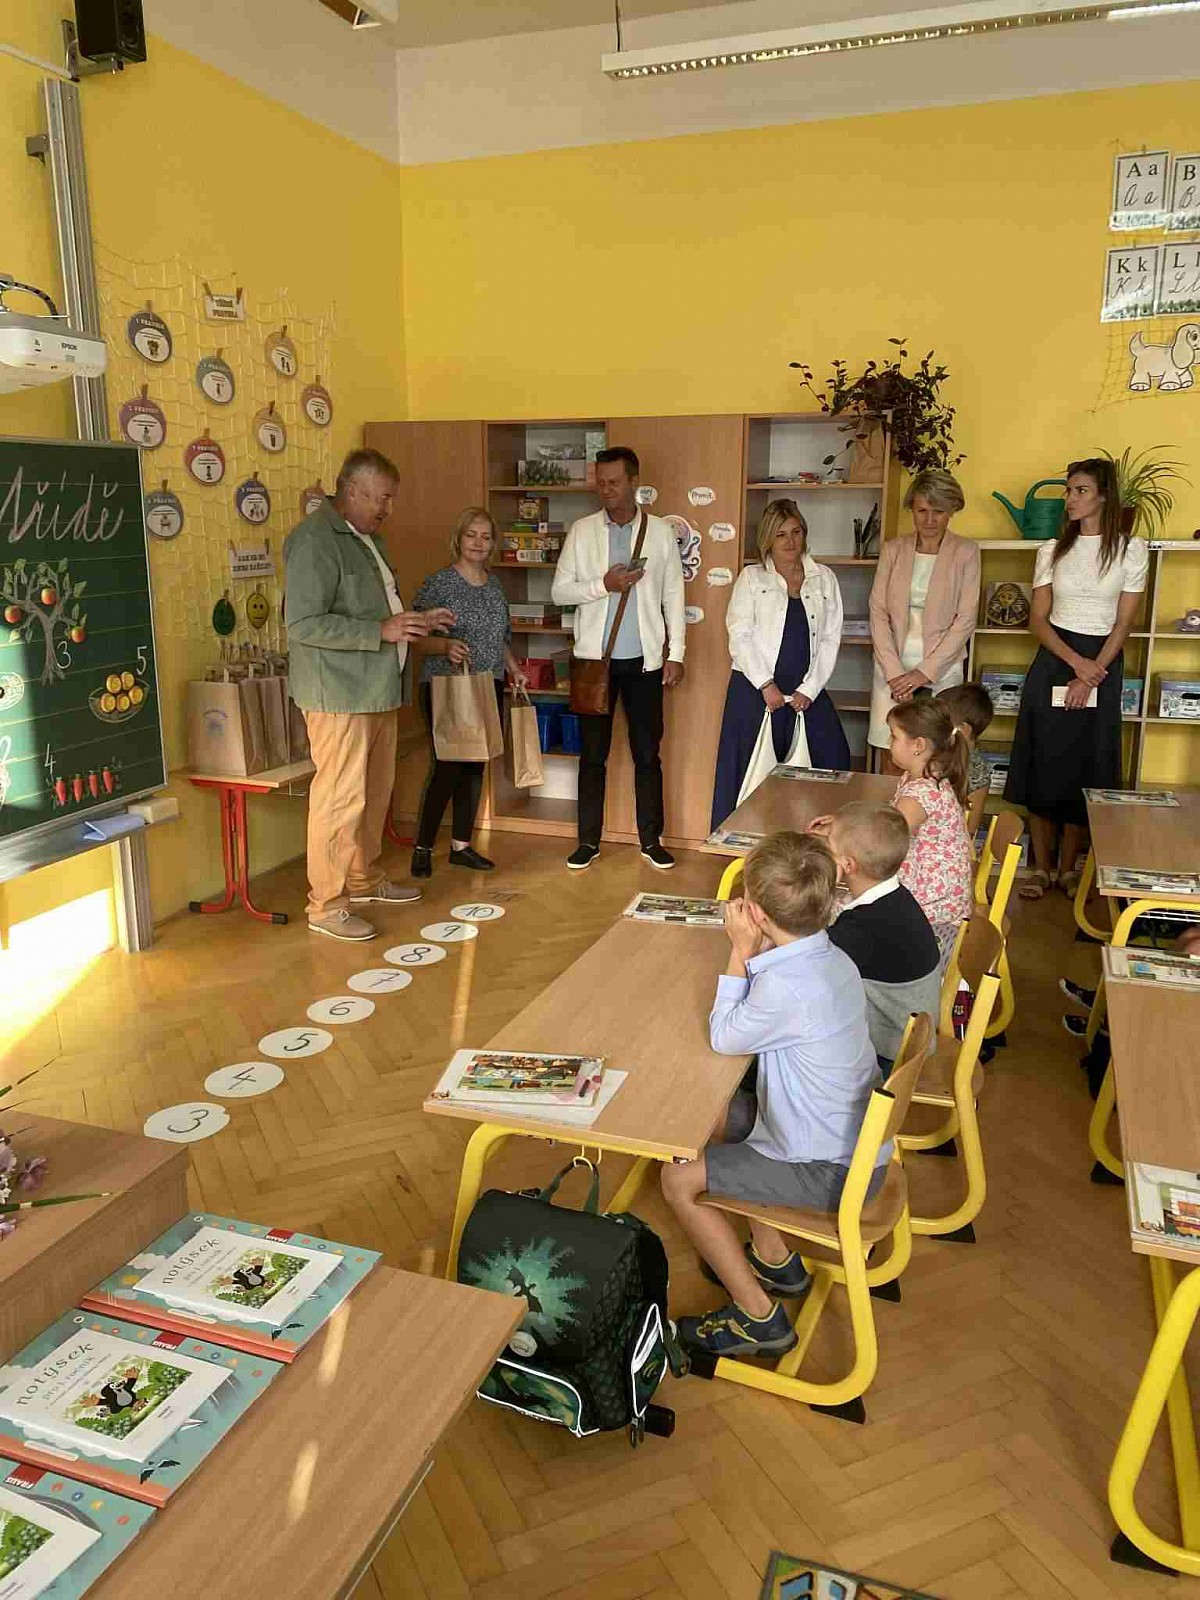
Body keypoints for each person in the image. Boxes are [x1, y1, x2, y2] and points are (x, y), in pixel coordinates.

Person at [660, 832, 885, 1359]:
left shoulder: (786, 987)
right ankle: (774, 1258)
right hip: (849, 1144)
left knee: (676, 1179)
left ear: (757, 915)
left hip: (830, 1171)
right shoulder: (832, 959)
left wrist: (740, 951)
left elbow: (724, 1036)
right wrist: (757, 951)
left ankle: (757, 1318)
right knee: (721, 1113)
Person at [284, 449, 454, 942]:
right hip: (339, 694)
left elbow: (378, 613)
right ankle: (326, 905)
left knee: (374, 794)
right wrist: (381, 630)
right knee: (340, 799)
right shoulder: (315, 541)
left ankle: (362, 879)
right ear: (352, 491)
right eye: (382, 498)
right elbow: (303, 623)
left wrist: (415, 623)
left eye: (390, 499)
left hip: (377, 689)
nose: (388, 509)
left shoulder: (368, 538)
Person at [1004, 457, 1148, 901]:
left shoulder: (1130, 549)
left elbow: (1123, 624)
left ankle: (1069, 870)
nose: (1069, 498)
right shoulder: (1052, 550)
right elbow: (1038, 620)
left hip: (1103, 662)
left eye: (1080, 490)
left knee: (1086, 762)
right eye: (1069, 490)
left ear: (1104, 496)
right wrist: (1076, 666)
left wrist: (1091, 673)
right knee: (1044, 760)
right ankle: (1040, 867)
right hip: (1056, 658)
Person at [551, 446, 686, 871]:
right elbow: (559, 591)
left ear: (633, 482)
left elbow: (673, 596)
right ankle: (587, 841)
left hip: (645, 663)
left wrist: (676, 653)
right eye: (600, 482)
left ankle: (651, 840)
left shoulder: (660, 532)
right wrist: (603, 585)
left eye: (613, 482)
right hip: (596, 663)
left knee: (648, 755)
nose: (605, 490)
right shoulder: (582, 531)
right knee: (593, 756)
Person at [710, 500, 851, 829]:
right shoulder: (751, 577)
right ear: (768, 540)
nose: (790, 541)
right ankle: (739, 844)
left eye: (796, 532)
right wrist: (765, 684)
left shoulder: (824, 578)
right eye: (781, 534)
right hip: (754, 690)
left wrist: (809, 690)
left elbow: (830, 638)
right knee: (746, 772)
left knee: (833, 759)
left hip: (806, 691)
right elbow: (739, 636)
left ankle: (817, 843)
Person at [410, 508, 529, 879]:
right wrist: (444, 647)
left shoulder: (494, 586)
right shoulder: (440, 584)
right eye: (471, 535)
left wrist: (513, 669)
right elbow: (413, 637)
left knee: (476, 765)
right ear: (459, 539)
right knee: (447, 767)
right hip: (446, 686)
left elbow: (498, 639)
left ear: (493, 544)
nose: (478, 543)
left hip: (487, 683)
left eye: (485, 537)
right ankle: (423, 847)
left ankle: (461, 846)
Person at [868, 469, 981, 770]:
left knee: (936, 753)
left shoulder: (966, 552)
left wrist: (923, 674)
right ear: (912, 510)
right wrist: (895, 674)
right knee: (892, 748)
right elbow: (878, 611)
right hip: (892, 664)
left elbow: (966, 619)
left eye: (938, 512)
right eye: (922, 511)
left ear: (952, 510)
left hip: (941, 666)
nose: (929, 520)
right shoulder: (893, 549)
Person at [825, 803, 941, 1067]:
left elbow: (809, 968)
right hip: (911, 1036)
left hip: (888, 1055)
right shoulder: (897, 897)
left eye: (827, 846)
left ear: (847, 864)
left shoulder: (861, 927)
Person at [887, 698, 974, 961]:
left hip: (933, 914)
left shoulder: (922, 793)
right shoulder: (921, 777)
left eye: (894, 736)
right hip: (935, 895)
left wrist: (840, 831)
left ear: (918, 746)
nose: (889, 743)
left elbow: (883, 838)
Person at [936, 682, 996, 835]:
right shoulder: (942, 755)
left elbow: (968, 830)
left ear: (963, 729)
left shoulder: (977, 771)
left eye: (940, 722)